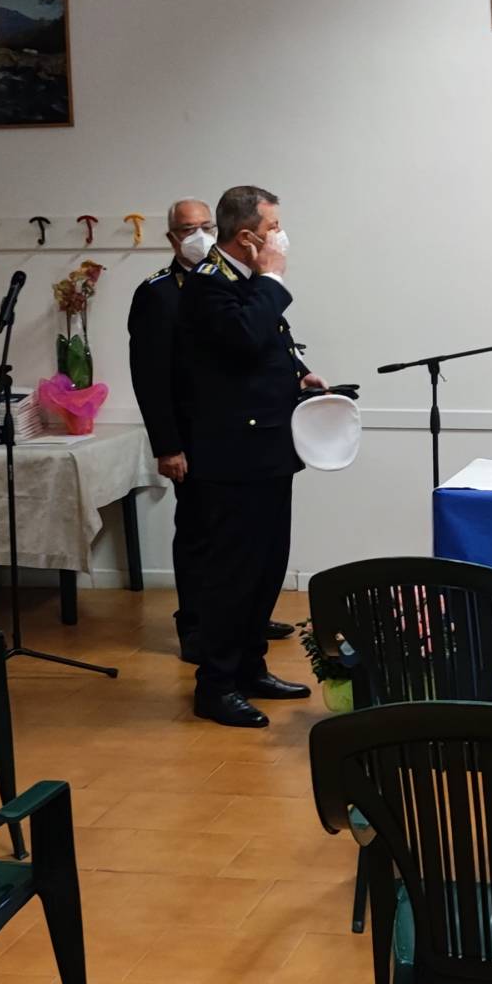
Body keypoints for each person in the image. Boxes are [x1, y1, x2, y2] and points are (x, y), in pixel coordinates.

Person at [175, 185, 321, 727]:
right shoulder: (209, 284)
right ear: (247, 238)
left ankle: (249, 667)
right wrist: (274, 277)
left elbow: (258, 351)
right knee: (232, 576)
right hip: (232, 458)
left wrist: (298, 377)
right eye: (273, 227)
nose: (280, 236)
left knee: (266, 568)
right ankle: (215, 685)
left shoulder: (243, 282)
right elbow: (240, 337)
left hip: (269, 450)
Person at [127, 198, 215, 663]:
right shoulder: (158, 293)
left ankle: (240, 617)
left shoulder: (229, 282)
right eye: (187, 229)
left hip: (234, 434)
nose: (199, 236)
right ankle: (195, 626)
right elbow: (150, 378)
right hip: (190, 438)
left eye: (206, 226)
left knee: (237, 534)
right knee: (198, 533)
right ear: (171, 238)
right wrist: (168, 446)